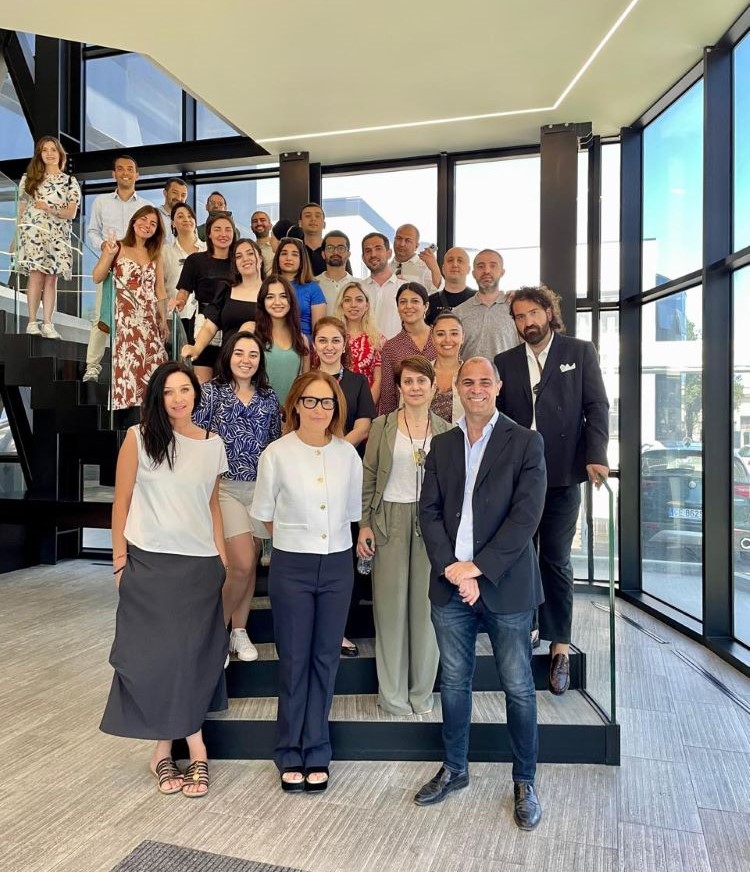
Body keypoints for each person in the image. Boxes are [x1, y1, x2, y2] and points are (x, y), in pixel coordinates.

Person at [416, 357, 547, 830]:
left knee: (518, 687)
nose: (476, 389)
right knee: (454, 683)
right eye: (467, 382)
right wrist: (454, 570)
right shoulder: (442, 444)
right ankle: (455, 769)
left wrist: (478, 568)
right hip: (451, 585)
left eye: (484, 382)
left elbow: (526, 517)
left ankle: (525, 781)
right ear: (456, 387)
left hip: (506, 586)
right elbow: (428, 512)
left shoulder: (525, 441)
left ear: (499, 386)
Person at [100, 361, 229, 799]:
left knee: (193, 658)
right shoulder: (138, 438)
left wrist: (222, 560)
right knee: (156, 658)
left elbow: (211, 505)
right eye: (169, 391)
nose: (178, 398)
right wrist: (119, 561)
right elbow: (121, 502)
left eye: (185, 390)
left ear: (196, 394)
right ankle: (186, 749)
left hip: (199, 566)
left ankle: (171, 751)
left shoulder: (212, 444)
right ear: (158, 396)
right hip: (149, 564)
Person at [251, 371, 363, 792]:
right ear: (296, 405)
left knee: (325, 659)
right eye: (310, 401)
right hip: (292, 566)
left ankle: (317, 748)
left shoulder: (347, 455)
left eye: (327, 402)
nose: (319, 409)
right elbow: (264, 515)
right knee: (294, 660)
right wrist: (294, 539)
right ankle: (288, 750)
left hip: (336, 566)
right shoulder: (277, 454)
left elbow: (351, 514)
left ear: (337, 408)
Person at [495, 286, 609, 694]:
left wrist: (596, 455)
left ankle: (560, 644)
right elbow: (497, 420)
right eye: (519, 316)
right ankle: (527, 626)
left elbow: (596, 407)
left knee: (556, 558)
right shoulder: (505, 362)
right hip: (519, 478)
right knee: (520, 555)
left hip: (563, 474)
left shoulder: (579, 352)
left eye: (532, 313)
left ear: (548, 311)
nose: (527, 322)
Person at [358, 356, 450, 715]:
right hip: (388, 520)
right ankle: (393, 695)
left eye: (421, 381)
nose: (414, 387)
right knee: (390, 609)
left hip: (433, 524)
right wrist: (365, 523)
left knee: (427, 612)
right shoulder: (382, 426)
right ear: (398, 387)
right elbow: (368, 477)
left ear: (434, 386)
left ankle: (421, 693)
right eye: (408, 381)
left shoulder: (447, 431)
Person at [194, 331, 281, 663]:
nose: (246, 360)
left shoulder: (269, 397)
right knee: (241, 563)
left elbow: (273, 445)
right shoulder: (211, 393)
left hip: (259, 490)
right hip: (226, 488)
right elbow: (197, 440)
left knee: (252, 563)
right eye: (240, 353)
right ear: (228, 356)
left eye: (253, 355)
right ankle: (214, 634)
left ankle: (239, 631)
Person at [312, 315, 376, 658]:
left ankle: (339, 631)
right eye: (323, 340)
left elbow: (363, 426)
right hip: (310, 476)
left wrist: (334, 450)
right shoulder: (306, 381)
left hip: (348, 473)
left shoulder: (357, 382)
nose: (329, 346)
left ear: (344, 345)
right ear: (314, 344)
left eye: (335, 340)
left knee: (344, 556)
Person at [92, 205, 168, 416]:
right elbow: (97, 276)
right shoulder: (117, 247)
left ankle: (151, 417)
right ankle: (128, 421)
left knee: (153, 367)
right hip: (125, 320)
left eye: (153, 224)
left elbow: (160, 291)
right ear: (134, 221)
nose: (147, 225)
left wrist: (163, 320)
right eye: (143, 220)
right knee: (128, 366)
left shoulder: (155, 254)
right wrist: (108, 255)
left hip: (149, 320)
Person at [83, 155, 145, 382]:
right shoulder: (101, 202)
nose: (125, 173)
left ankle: (129, 365)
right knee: (102, 316)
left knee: (132, 318)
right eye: (120, 169)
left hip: (136, 270)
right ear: (114, 174)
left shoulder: (145, 206)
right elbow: (92, 231)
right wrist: (103, 246)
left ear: (137, 175)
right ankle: (93, 366)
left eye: (130, 169)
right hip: (109, 265)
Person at [15, 135, 81, 339]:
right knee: (35, 275)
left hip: (57, 235)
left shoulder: (69, 181)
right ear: (39, 154)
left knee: (51, 279)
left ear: (60, 154)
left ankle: (48, 323)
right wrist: (16, 238)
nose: (49, 154)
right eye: (45, 150)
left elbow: (71, 212)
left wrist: (50, 209)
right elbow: (21, 211)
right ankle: (32, 322)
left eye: (53, 150)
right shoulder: (29, 179)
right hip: (33, 233)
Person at [174, 212, 237, 382]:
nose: (223, 234)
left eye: (228, 229)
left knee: (231, 379)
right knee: (203, 382)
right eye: (217, 229)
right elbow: (184, 290)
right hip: (203, 323)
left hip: (232, 324)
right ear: (209, 233)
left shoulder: (239, 262)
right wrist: (179, 301)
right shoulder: (195, 260)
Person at [181, 238, 264, 362]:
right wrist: (196, 348)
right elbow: (210, 327)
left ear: (260, 259)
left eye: (250, 253)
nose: (245, 259)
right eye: (239, 256)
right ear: (235, 264)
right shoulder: (226, 290)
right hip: (228, 361)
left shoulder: (272, 291)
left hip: (262, 360)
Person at [378, 282, 436, 415]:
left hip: (443, 416)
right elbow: (388, 395)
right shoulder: (391, 347)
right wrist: (388, 423)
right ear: (398, 307)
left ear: (426, 306)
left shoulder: (441, 338)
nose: (408, 306)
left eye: (415, 301)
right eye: (403, 302)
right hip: (406, 418)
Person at [253, 275, 310, 406]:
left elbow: (305, 383)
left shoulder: (302, 339)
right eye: (270, 297)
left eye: (283, 296)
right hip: (257, 411)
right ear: (262, 301)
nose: (277, 302)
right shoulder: (252, 332)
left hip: (290, 412)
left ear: (291, 300)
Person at [454, 249, 519, 360]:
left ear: (502, 272)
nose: (487, 271)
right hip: (468, 371)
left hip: (509, 372)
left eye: (493, 266)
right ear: (473, 273)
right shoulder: (458, 313)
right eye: (481, 266)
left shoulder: (516, 308)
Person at [161, 203, 206, 344]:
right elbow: (159, 287)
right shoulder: (164, 251)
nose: (186, 219)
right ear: (173, 223)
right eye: (180, 216)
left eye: (190, 216)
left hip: (204, 319)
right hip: (174, 318)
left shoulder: (208, 249)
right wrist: (162, 318)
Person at [334, 280, 383, 406]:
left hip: (367, 403)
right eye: (347, 300)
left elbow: (378, 379)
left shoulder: (378, 340)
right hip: (334, 403)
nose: (353, 305)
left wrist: (366, 409)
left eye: (359, 300)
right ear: (341, 305)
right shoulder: (332, 337)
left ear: (367, 305)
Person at [271, 236, 326, 340]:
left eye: (295, 254)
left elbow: (319, 331)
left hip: (304, 344)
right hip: (273, 343)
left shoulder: (313, 288)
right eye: (284, 253)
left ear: (302, 260)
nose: (288, 258)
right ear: (277, 258)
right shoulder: (268, 286)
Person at [361, 232, 403, 340]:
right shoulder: (358, 289)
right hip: (363, 349)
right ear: (363, 258)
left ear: (389, 253)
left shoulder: (404, 288)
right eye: (368, 251)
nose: (373, 254)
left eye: (378, 248)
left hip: (396, 350)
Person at [430, 312, 465, 423]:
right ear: (432, 338)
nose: (448, 340)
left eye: (454, 333)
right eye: (440, 334)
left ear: (463, 337)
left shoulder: (472, 375)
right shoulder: (419, 373)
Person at [426, 247, 475, 325]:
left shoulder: (478, 299)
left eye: (460, 261)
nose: (455, 264)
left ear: (468, 269)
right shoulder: (430, 302)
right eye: (450, 260)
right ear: (443, 269)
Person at [391, 224, 443, 293]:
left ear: (416, 246)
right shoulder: (386, 268)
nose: (402, 244)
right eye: (399, 238)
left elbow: (440, 292)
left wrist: (434, 269)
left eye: (408, 240)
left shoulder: (426, 268)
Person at [315, 230, 354, 313]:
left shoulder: (359, 284)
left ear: (348, 254)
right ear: (323, 254)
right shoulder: (314, 284)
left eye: (341, 248)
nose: (335, 252)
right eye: (330, 248)